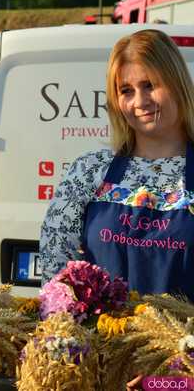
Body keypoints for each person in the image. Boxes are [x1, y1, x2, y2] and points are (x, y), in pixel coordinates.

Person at [40, 28, 194, 300]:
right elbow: (56, 272)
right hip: (104, 341)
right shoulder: (88, 171)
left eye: (150, 85)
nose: (140, 101)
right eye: (126, 91)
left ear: (177, 82)